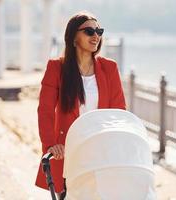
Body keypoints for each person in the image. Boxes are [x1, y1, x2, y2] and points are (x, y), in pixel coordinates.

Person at [35, 11, 126, 199]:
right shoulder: (56, 68)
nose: (96, 36)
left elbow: (119, 112)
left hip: (102, 149)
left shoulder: (109, 68)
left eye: (99, 31)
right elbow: (45, 111)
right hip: (69, 151)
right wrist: (51, 145)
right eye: (89, 31)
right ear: (73, 37)